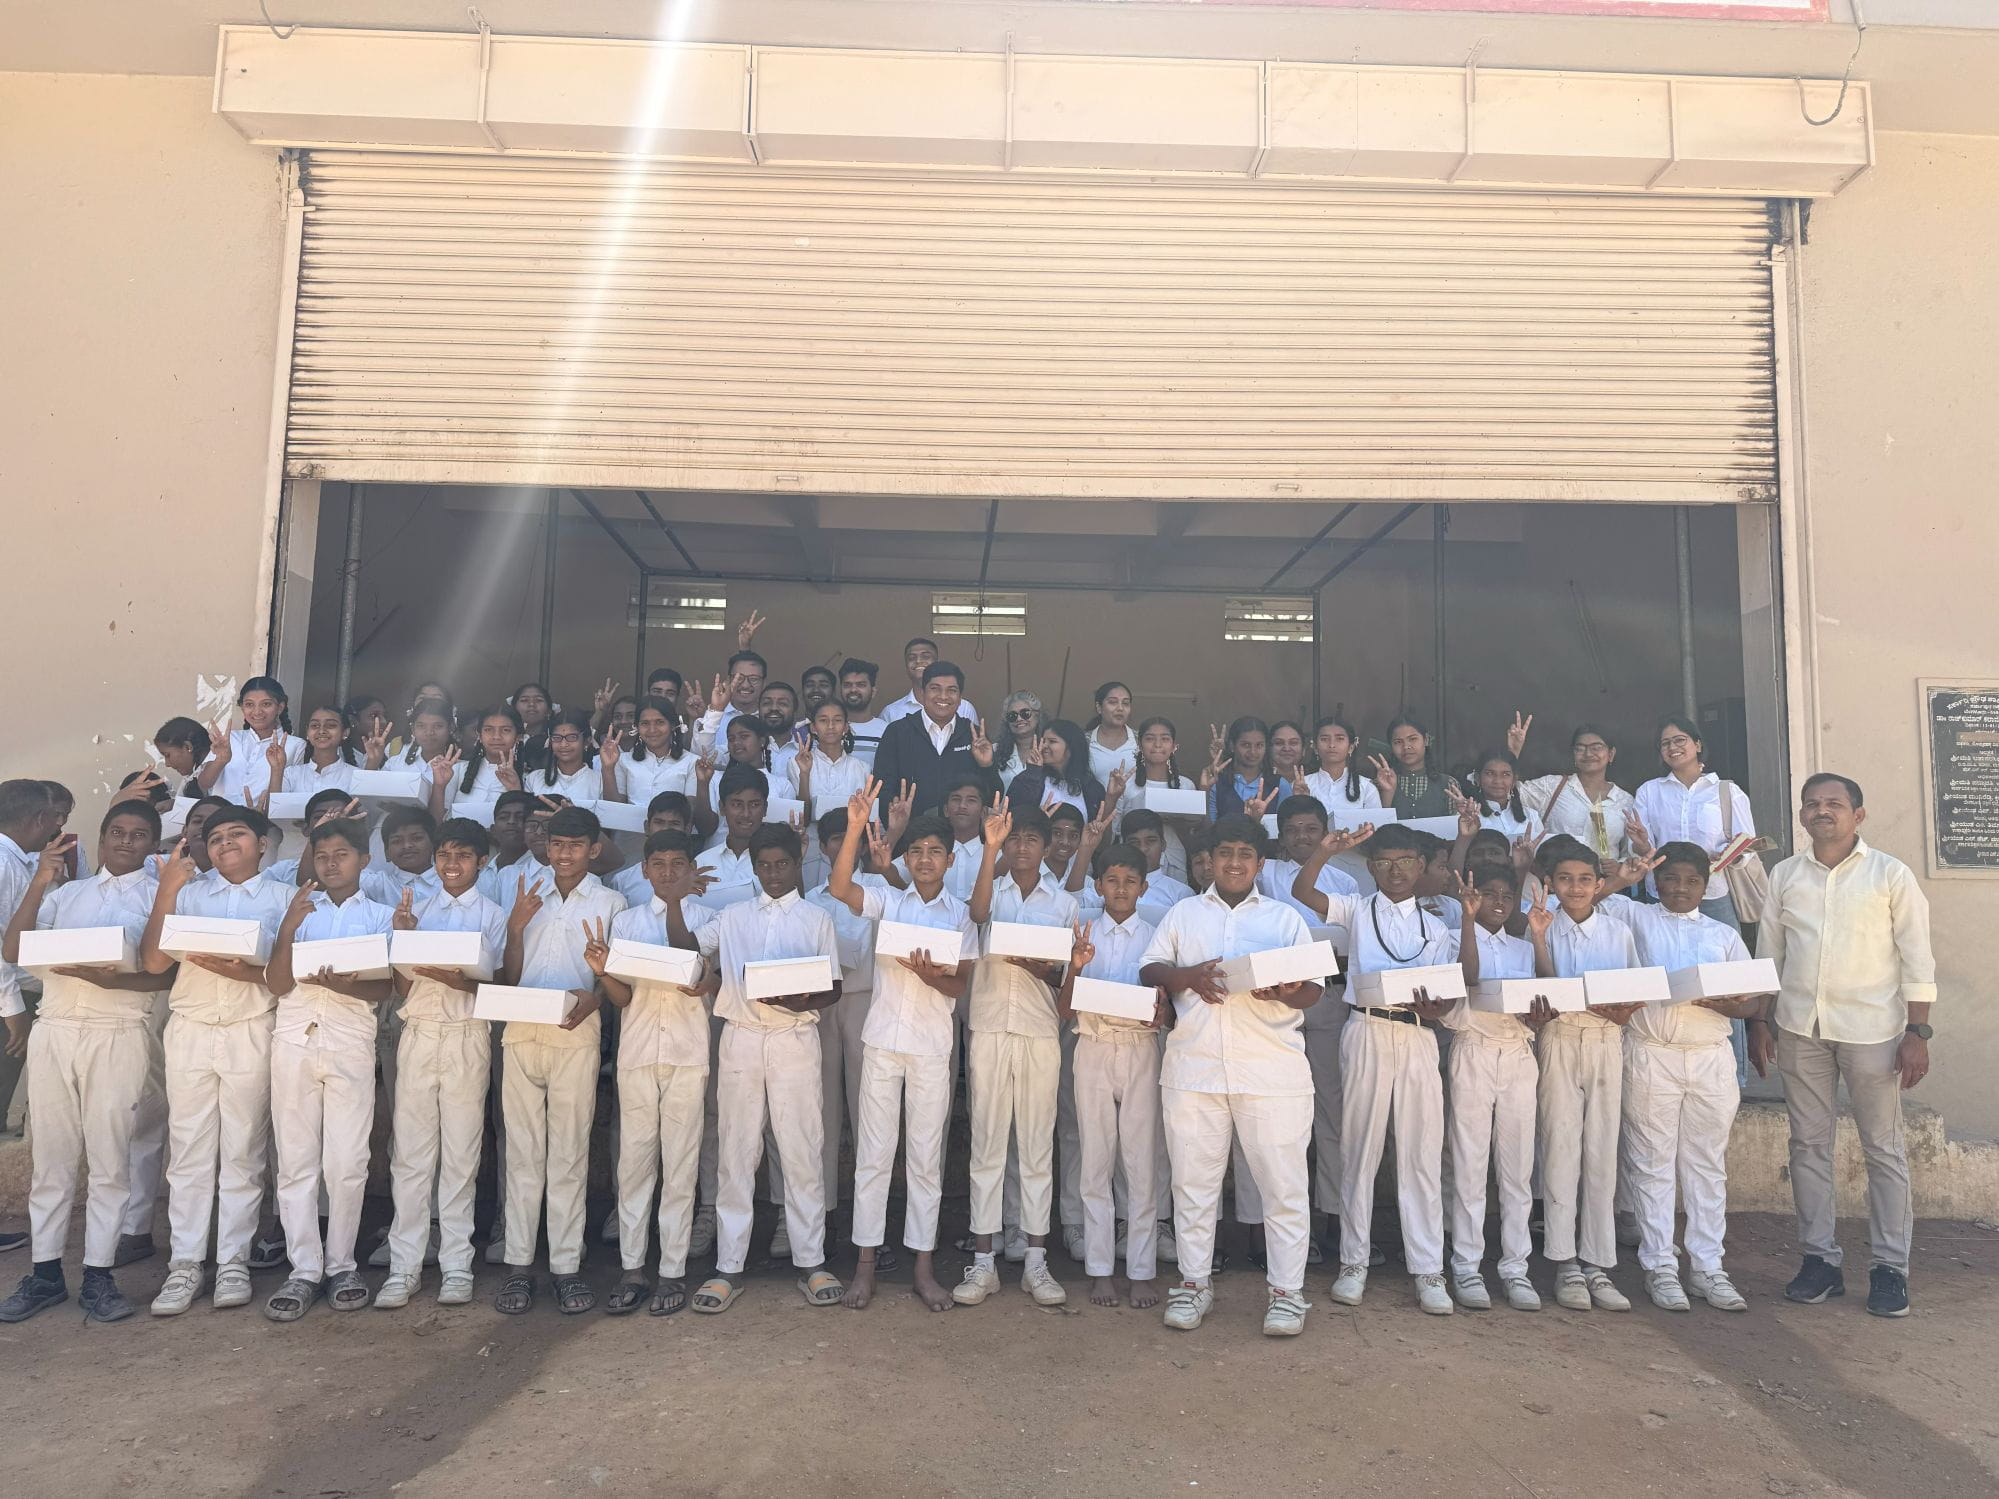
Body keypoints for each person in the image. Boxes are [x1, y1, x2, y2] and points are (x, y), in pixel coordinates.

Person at [1748, 773, 1935, 1318]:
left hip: (1875, 1032)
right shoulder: (1785, 875)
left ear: (1859, 815)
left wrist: (1917, 1033)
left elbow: (1917, 958)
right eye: (1812, 804)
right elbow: (1770, 956)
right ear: (1802, 816)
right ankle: (1819, 1262)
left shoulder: (1889, 875)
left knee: (1883, 1149)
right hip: (1801, 1029)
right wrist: (1761, 1022)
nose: (1821, 811)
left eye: (1834, 803)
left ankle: (1889, 1269)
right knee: (1807, 1146)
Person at [1139, 815, 1323, 1336]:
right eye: (1225, 853)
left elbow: (1313, 988)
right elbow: (1151, 969)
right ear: (1210, 861)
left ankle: (1287, 1293)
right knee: (1194, 1184)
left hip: (1271, 1068)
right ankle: (1194, 1284)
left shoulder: (1285, 919)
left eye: (1245, 853)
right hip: (1195, 1067)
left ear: (1260, 863)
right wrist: (1188, 977)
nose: (1235, 862)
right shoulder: (1183, 913)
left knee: (1283, 1186)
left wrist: (1284, 990)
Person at [0, 802, 172, 1323]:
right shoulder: (67, 893)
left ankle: (99, 1274)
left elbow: (164, 973)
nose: (125, 841)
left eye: (139, 835)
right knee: (51, 1158)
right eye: (116, 832)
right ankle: (46, 1273)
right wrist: (40, 881)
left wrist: (114, 980)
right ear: (101, 837)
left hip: (118, 1030)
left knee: (108, 1157)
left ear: (152, 843)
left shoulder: (160, 894)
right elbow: (13, 949)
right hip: (55, 1028)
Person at [1291, 823, 1470, 1314]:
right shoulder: (1356, 909)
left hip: (1415, 1035)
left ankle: (1428, 1269)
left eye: (1406, 861)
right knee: (1359, 1148)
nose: (1396, 871)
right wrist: (1326, 850)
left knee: (1419, 1153)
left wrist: (1438, 1009)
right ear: (1372, 868)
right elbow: (1302, 891)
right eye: (1385, 862)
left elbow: (1451, 988)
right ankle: (1354, 1263)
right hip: (1365, 1030)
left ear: (1421, 865)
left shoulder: (1436, 927)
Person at [827, 783, 978, 1312]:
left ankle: (922, 1266)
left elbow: (960, 986)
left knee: (924, 1158)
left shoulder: (959, 914)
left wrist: (933, 976)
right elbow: (840, 885)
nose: (925, 859)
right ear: (905, 857)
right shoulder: (889, 897)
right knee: (872, 1154)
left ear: (950, 858)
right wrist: (854, 828)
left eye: (935, 851)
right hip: (883, 1041)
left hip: (933, 1046)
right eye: (916, 851)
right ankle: (865, 1265)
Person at [139, 806, 293, 1316]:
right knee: (188, 1152)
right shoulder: (189, 891)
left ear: (263, 843)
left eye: (237, 834)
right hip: (191, 1027)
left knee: (245, 1149)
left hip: (252, 1028)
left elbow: (286, 976)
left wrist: (243, 970)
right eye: (216, 837)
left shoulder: (285, 897)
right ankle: (184, 1264)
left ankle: (232, 1261)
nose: (225, 843)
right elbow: (156, 961)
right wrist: (167, 889)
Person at [1599, 842, 1762, 1313]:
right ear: (1656, 880)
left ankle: (1708, 1266)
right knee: (1652, 1163)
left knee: (1706, 1165)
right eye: (1670, 878)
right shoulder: (1635, 916)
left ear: (1707, 884)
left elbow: (1750, 1000)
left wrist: (1735, 1006)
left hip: (1710, 1056)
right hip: (1653, 1053)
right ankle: (1660, 1266)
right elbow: (1588, 901)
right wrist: (1626, 878)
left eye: (1692, 880)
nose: (1681, 888)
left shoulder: (1722, 934)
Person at [692, 824, 844, 1313]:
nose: (774, 873)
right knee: (737, 1149)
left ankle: (811, 1260)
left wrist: (801, 997)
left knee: (802, 1145)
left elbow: (832, 986)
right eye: (765, 865)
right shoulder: (732, 916)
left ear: (798, 862)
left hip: (795, 1036)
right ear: (753, 868)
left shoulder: (817, 917)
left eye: (782, 864)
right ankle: (728, 1268)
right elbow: (691, 947)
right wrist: (676, 897)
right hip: (740, 1036)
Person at [493, 805, 627, 1317]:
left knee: (568, 1155)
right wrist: (516, 926)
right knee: (524, 1155)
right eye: (556, 844)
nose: (563, 853)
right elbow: (507, 977)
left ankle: (567, 1267)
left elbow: (612, 979)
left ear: (594, 849)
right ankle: (520, 1267)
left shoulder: (612, 902)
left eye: (575, 845)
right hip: (522, 1031)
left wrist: (592, 999)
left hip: (576, 1032)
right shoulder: (524, 890)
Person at [262, 820, 397, 1319]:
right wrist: (290, 928)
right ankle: (303, 1270)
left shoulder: (381, 916)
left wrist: (342, 986)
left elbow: (384, 989)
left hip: (349, 1044)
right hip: (294, 1041)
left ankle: (341, 1263)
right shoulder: (293, 909)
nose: (331, 862)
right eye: (322, 855)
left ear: (364, 860)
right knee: (295, 1160)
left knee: (347, 1161)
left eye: (342, 854)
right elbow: (277, 984)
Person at [377, 817, 508, 1311]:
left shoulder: (493, 914)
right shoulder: (417, 909)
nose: (451, 866)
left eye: (463, 857)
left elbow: (492, 988)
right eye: (444, 856)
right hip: (419, 1035)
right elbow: (402, 989)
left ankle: (457, 1264)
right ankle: (404, 1266)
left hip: (466, 1037)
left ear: (481, 861)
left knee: (460, 1155)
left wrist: (453, 979)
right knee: (410, 1157)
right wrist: (405, 941)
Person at [596, 829, 721, 1318]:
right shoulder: (624, 922)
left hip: (689, 1051)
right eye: (659, 864)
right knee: (635, 1161)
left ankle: (671, 1270)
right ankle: (632, 1268)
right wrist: (604, 971)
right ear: (644, 870)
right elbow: (623, 998)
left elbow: (693, 965)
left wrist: (675, 906)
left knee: (682, 1161)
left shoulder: (711, 920)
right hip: (639, 1052)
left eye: (677, 864)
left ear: (692, 870)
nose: (668, 872)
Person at [958, 802, 1078, 1307]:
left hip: (1037, 1028)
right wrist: (989, 849)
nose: (1023, 847)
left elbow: (1066, 978)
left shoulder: (1065, 904)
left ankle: (1035, 1260)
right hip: (988, 1025)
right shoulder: (993, 886)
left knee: (1034, 1146)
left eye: (1032, 839)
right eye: (1015, 840)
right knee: (986, 1143)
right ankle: (983, 1262)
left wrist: (1041, 968)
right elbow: (978, 914)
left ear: (1048, 847)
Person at [1529, 842, 1644, 1313]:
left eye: (1583, 880)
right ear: (1550, 885)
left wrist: (1621, 1011)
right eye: (1564, 879)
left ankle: (1597, 1262)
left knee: (1601, 1148)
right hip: (1558, 1038)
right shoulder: (1542, 925)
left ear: (1599, 885)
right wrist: (1537, 937)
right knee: (1559, 1146)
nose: (1574, 888)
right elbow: (1541, 986)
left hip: (1604, 1040)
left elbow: (1635, 989)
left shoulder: (1618, 930)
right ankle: (1565, 1261)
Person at [1057, 843, 1167, 1310]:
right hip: (1094, 1048)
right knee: (1096, 1159)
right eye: (1111, 881)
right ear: (1097, 885)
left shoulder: (1159, 933)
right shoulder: (1080, 932)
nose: (1120, 889)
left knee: (1142, 1163)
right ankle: (1100, 1269)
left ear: (1144, 887)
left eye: (1130, 881)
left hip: (1143, 1050)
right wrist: (1077, 967)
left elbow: (1169, 1005)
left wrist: (1162, 1013)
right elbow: (1064, 1010)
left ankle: (1140, 1271)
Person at [1436, 864, 1545, 1312]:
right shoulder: (1451, 938)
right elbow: (1469, 980)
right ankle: (1466, 1265)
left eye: (1507, 894)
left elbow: (1544, 989)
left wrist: (1538, 939)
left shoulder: (1523, 947)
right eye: (1489, 893)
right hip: (1473, 1049)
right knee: (1469, 1164)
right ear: (1472, 896)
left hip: (1518, 1053)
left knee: (1518, 1167)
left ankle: (1515, 1267)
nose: (1499, 902)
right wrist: (1466, 919)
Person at [1257, 795, 1358, 1260]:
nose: (1302, 836)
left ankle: (1334, 1222)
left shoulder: (1345, 881)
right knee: (1275, 1119)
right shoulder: (1264, 874)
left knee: (1332, 1115)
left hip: (1330, 997)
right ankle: (1268, 1231)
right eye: (1293, 829)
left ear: (1325, 831)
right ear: (1280, 835)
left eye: (1311, 829)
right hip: (1273, 1004)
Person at [1633, 715, 1756, 930]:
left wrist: (1726, 857)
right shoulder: (1649, 791)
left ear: (1697, 744)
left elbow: (1747, 846)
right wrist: (1642, 845)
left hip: (1712, 892)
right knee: (1664, 959)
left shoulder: (1726, 791)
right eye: (1665, 743)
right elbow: (1642, 851)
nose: (1673, 747)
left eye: (1680, 740)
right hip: (1664, 893)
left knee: (1721, 959)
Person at [869, 660, 1000, 820]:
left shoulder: (975, 736)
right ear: (923, 693)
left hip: (961, 839)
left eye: (951, 690)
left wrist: (987, 766)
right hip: (911, 838)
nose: (943, 696)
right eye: (935, 688)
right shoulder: (898, 732)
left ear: (960, 698)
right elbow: (882, 790)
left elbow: (993, 799)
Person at [1508, 715, 1640, 864]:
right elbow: (1507, 791)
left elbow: (1632, 853)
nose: (1588, 754)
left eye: (1596, 748)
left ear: (1611, 754)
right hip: (1555, 882)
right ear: (1573, 755)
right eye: (1580, 748)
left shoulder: (1625, 801)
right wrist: (1513, 752)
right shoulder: (1552, 787)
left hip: (1606, 884)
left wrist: (1619, 865)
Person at [196, 676, 305, 804]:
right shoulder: (229, 739)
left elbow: (287, 798)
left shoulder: (295, 745)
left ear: (280, 707)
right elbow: (204, 784)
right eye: (249, 705)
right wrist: (221, 760)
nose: (257, 711)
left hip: (261, 821)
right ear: (242, 708)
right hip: (220, 818)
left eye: (266, 704)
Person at [1009, 719, 1107, 821]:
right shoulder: (1027, 778)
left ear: (1071, 747)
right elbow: (1015, 815)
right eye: (1043, 741)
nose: (1044, 746)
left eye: (1052, 741)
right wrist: (1032, 773)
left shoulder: (1092, 788)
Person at [879, 637, 978, 725]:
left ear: (936, 662)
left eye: (925, 656)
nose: (918, 661)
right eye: (911, 658)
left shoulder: (965, 708)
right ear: (906, 666)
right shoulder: (891, 713)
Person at [1371, 715, 1454, 819]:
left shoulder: (1449, 784)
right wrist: (1387, 795)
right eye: (1398, 742)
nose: (1406, 746)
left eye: (1413, 739)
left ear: (1426, 740)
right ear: (1391, 746)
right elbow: (1375, 829)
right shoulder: (1376, 786)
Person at [1204, 717, 1283, 820]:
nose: (1253, 752)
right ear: (1232, 746)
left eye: (1259, 745)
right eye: (1246, 745)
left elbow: (1286, 829)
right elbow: (1208, 829)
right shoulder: (1217, 783)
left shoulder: (1280, 785)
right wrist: (1204, 790)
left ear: (1266, 747)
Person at [1304, 716, 1381, 815]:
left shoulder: (1367, 788)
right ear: (1315, 747)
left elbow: (1375, 826)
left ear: (1351, 747)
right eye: (1324, 739)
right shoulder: (1303, 784)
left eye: (1339, 739)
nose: (1332, 745)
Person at [453, 705, 527, 805]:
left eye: (505, 730)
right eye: (488, 730)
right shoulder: (458, 771)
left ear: (519, 736)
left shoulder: (528, 777)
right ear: (480, 735)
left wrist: (515, 790)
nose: (496, 736)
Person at [1084, 682, 1139, 786]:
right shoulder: (1084, 741)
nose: (1120, 708)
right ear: (1099, 707)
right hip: (1098, 802)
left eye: (1125, 703)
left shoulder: (1140, 740)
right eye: (1113, 702)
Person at [835, 658, 888, 765]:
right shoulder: (830, 728)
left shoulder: (887, 731)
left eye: (861, 685)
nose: (853, 689)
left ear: (873, 692)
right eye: (847, 685)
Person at [991, 690, 1046, 790]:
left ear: (1037, 716)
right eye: (1012, 716)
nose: (1019, 719)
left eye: (1025, 713)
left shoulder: (1049, 750)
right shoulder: (993, 751)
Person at [152, 717, 214, 796]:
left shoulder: (224, 769)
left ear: (187, 747)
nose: (167, 764)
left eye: (167, 755)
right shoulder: (191, 775)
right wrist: (175, 803)